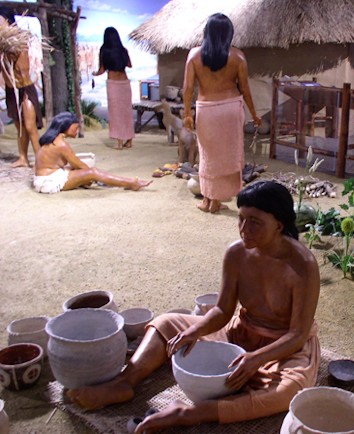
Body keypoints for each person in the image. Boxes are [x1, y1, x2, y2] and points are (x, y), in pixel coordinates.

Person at [66, 180, 321, 431]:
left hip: (285, 348)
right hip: (240, 332)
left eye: (255, 222)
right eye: (241, 219)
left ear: (279, 224)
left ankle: (190, 413)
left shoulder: (302, 264)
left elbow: (297, 335)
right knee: (168, 323)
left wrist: (256, 359)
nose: (244, 229)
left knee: (289, 392)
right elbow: (222, 311)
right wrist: (194, 331)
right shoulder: (236, 253)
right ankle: (125, 381)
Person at [182, 13, 261, 214]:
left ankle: (209, 200)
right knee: (227, 154)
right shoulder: (238, 56)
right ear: (229, 34)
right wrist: (254, 113)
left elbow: (187, 89)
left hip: (206, 109)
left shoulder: (193, 55)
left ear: (206, 32)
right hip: (230, 110)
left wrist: (187, 114)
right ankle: (215, 200)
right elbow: (245, 89)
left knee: (208, 155)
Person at [33, 112, 151, 193]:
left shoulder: (52, 139)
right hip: (49, 182)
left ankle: (97, 179)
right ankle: (131, 183)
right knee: (93, 171)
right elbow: (79, 166)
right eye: (75, 128)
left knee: (87, 170)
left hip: (45, 177)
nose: (77, 131)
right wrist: (92, 175)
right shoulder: (61, 144)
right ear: (66, 127)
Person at [0, 6, 43, 168]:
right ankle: (23, 158)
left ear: (7, 20)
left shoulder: (19, 40)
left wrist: (7, 50)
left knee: (30, 126)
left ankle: (41, 159)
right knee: (19, 127)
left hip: (24, 90)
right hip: (12, 90)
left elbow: (22, 68)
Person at [93, 27, 134, 150]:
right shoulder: (123, 50)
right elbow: (130, 65)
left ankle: (120, 142)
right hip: (125, 83)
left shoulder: (104, 50)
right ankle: (129, 140)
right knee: (126, 112)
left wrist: (94, 74)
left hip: (113, 84)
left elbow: (101, 70)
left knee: (115, 113)